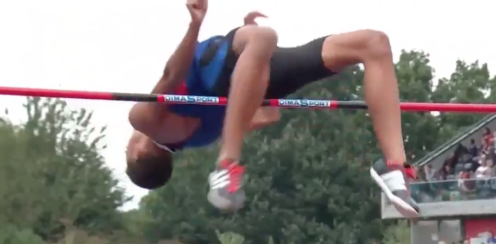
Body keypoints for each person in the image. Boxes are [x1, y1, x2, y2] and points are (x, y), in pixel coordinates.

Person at [125, 0, 420, 218]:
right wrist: (195, 24)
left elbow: (268, 114)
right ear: (139, 153)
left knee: (373, 43)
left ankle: (395, 168)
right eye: (126, 151)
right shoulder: (143, 120)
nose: (127, 143)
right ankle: (228, 164)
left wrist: (252, 63)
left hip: (255, 68)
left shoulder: (206, 135)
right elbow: (170, 76)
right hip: (220, 64)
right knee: (264, 36)